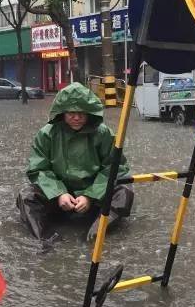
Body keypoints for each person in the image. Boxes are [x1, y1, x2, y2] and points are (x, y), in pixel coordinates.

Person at [16, 82, 133, 242]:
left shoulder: (103, 133)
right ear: (62, 112)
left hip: (95, 196)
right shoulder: (46, 134)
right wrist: (59, 193)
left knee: (124, 191)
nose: (76, 118)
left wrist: (90, 196)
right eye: (71, 113)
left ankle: (96, 233)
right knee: (26, 196)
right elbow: (38, 169)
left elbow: (115, 168)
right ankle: (45, 239)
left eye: (81, 113)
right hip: (60, 197)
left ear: (89, 112)